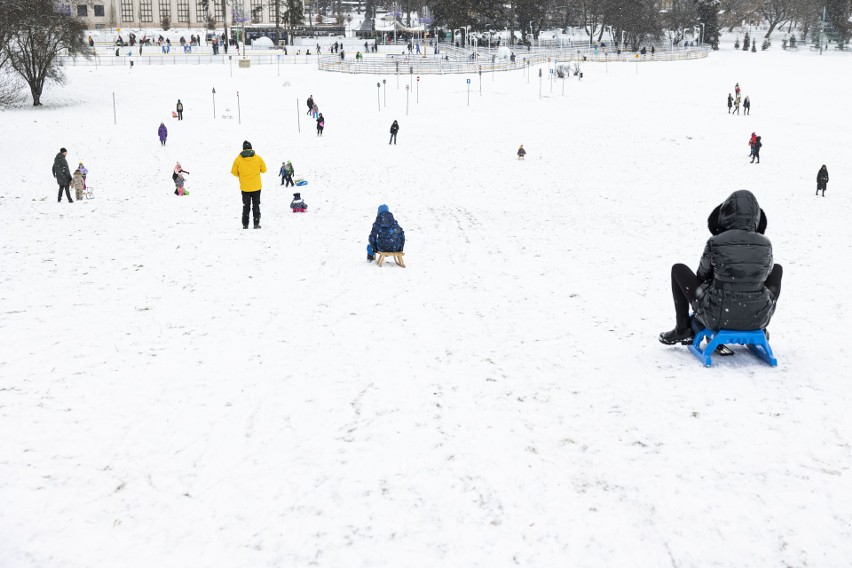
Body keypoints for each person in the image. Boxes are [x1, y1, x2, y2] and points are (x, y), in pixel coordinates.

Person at [659, 190, 782, 345]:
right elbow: (766, 274)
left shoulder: (715, 241)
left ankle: (682, 329)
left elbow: (702, 275)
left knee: (678, 269)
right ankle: (754, 317)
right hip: (758, 318)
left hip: (717, 316)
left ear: (726, 214)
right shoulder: (766, 244)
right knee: (778, 269)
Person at [231, 140, 267, 229]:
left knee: (246, 206)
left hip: (245, 187)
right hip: (256, 187)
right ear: (251, 147)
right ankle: (256, 224)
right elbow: (264, 170)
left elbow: (234, 172)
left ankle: (245, 224)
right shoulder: (258, 158)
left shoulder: (238, 159)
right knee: (256, 205)